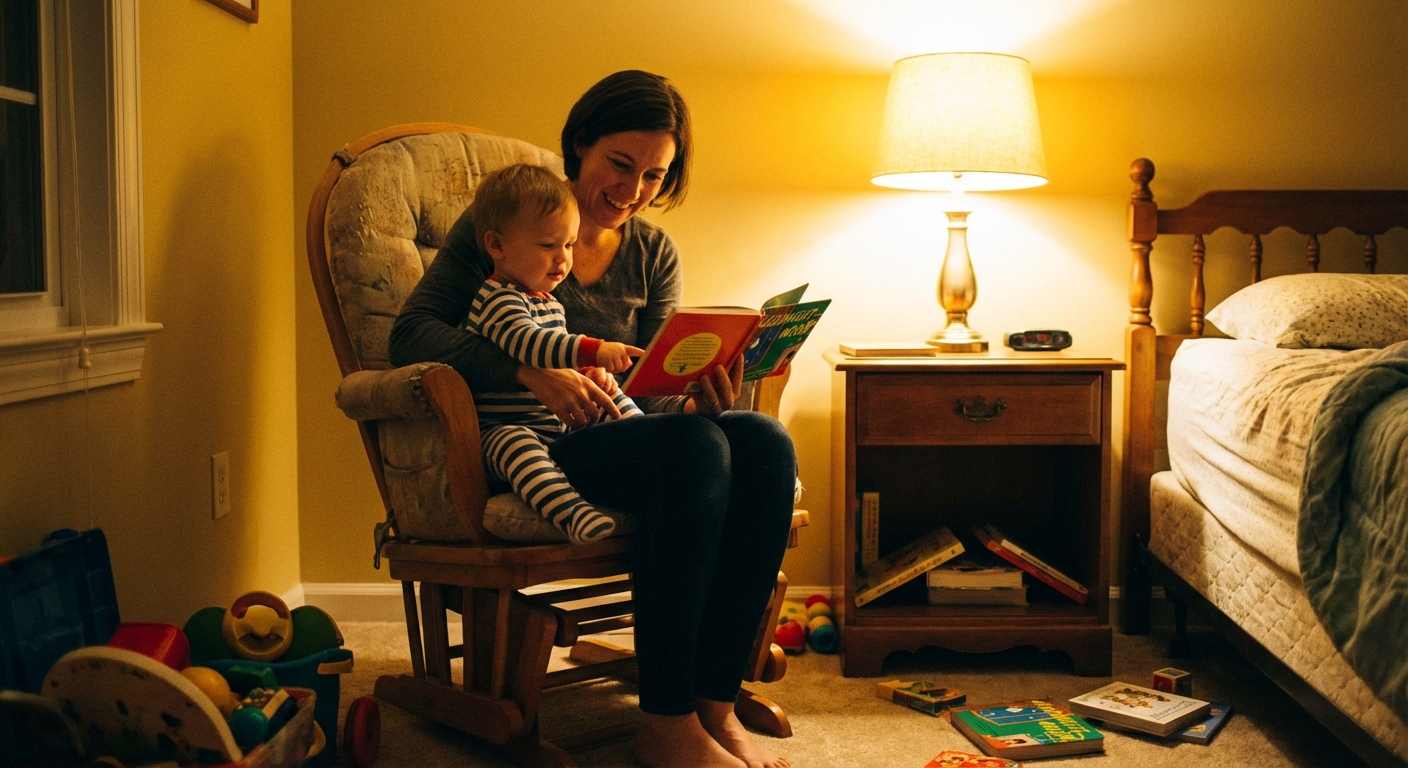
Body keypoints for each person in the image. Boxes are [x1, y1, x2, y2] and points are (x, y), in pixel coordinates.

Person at [390, 69, 796, 768]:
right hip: (546, 444)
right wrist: (525, 370)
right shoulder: (513, 219)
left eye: (653, 177)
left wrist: (700, 396)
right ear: (581, 145)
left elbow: (657, 400)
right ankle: (664, 725)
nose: (633, 191)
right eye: (620, 165)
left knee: (760, 439)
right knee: (698, 451)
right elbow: (412, 335)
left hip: (632, 432)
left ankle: (713, 703)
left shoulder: (652, 253)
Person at [464, 163, 643, 543]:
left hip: (560, 429)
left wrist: (588, 376)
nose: (563, 260)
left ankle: (647, 436)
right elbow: (530, 344)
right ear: (497, 246)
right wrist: (592, 351)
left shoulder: (550, 304)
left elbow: (559, 366)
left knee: (608, 388)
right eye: (548, 246)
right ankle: (573, 515)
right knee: (517, 445)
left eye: (569, 245)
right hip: (502, 433)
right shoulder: (495, 299)